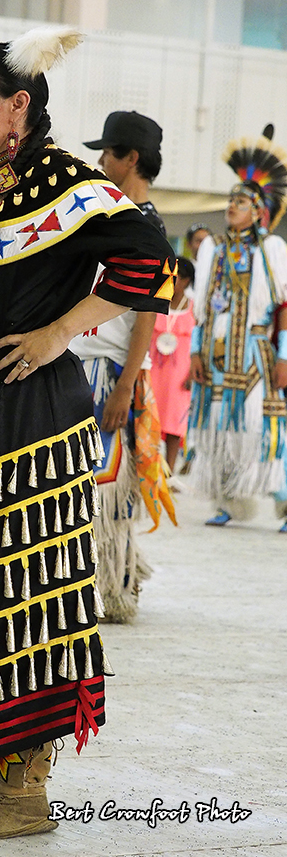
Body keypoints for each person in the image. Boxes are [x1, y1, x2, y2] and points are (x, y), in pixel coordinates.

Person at [0, 28, 176, 840]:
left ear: (19, 104)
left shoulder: (62, 183)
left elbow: (152, 260)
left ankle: (26, 790)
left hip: (20, 433)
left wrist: (60, 332)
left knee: (14, 602)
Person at [69, 110, 176, 624]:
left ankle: (114, 586)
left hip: (110, 373)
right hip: (84, 367)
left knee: (106, 484)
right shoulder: (110, 218)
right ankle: (97, 582)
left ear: (131, 158)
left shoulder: (147, 230)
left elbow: (149, 318)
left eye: (107, 153)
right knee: (82, 482)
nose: (99, 161)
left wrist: (125, 387)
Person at [189, 129, 287, 531]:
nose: (232, 206)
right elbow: (200, 309)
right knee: (216, 426)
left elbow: (284, 307)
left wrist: (284, 358)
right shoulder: (212, 248)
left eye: (241, 201)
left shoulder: (273, 250)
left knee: (263, 427)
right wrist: (195, 351)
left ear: (259, 211)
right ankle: (229, 501)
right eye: (230, 200)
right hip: (214, 355)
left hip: (256, 355)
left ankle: (283, 502)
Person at [150, 257, 196, 473]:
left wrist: (193, 374)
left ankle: (168, 472)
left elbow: (200, 344)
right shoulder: (154, 302)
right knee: (149, 416)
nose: (169, 281)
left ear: (186, 281)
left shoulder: (195, 309)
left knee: (174, 424)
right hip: (153, 370)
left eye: (175, 278)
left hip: (180, 375)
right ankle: (147, 468)